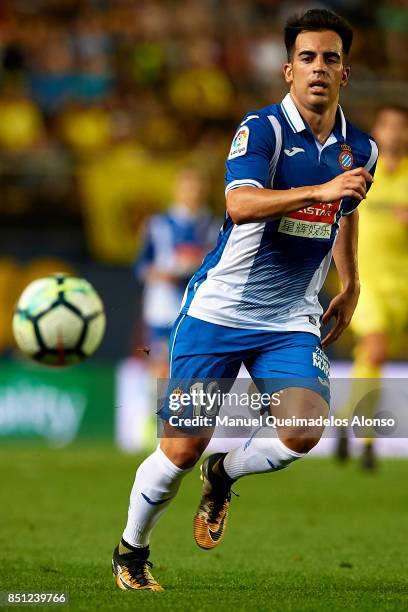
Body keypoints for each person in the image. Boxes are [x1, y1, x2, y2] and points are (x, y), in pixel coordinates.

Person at [112, 9, 378, 592]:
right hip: (219, 309)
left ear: (345, 72)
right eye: (307, 58)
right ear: (288, 70)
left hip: (290, 317)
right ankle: (132, 549)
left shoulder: (362, 148)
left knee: (303, 431)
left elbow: (347, 211)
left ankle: (224, 475)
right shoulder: (261, 130)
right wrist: (320, 190)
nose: (318, 69)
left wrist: (351, 281)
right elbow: (240, 206)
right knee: (180, 448)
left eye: (330, 59)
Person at [335, 105, 408, 469]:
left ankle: (346, 420)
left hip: (402, 288)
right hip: (365, 284)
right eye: (387, 125)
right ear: (378, 130)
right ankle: (365, 438)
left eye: (400, 127)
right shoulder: (362, 173)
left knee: (370, 356)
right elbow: (338, 215)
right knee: (376, 348)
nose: (394, 133)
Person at [135, 166, 220, 379]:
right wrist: (163, 274)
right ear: (177, 189)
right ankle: (156, 411)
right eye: (188, 186)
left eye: (198, 187)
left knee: (196, 367)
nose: (193, 192)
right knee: (161, 365)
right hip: (163, 308)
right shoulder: (157, 224)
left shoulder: (215, 226)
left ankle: (188, 412)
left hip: (200, 308)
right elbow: (142, 266)